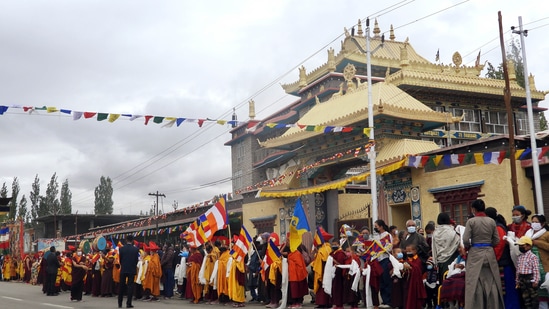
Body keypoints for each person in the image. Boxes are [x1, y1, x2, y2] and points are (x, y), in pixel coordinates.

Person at [462, 199, 504, 309]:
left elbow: (465, 239)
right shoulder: (491, 221)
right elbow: (497, 240)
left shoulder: (471, 221)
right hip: (489, 253)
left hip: (475, 253)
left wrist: (469, 247)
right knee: (492, 282)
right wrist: (488, 245)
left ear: (473, 209)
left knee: (474, 283)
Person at [485, 206, 520, 308]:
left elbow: (499, 245)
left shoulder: (498, 228)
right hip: (503, 262)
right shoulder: (497, 226)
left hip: (503, 263)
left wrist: (494, 259)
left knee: (507, 290)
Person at [431, 213, 460, 284]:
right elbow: (458, 243)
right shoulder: (452, 232)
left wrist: (435, 262)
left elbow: (433, 248)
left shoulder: (435, 233)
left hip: (440, 262)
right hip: (452, 260)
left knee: (443, 283)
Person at [515, 236, 540, 309]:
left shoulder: (533, 257)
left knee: (534, 298)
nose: (520, 247)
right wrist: (517, 280)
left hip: (530, 278)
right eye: (519, 246)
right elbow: (518, 270)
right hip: (522, 279)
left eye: (522, 245)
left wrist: (535, 280)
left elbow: (536, 269)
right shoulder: (520, 257)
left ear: (529, 246)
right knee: (525, 298)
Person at [531, 214, 549, 308]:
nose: (534, 224)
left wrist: (538, 243)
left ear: (542, 224)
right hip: (534, 268)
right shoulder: (529, 234)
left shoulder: (547, 234)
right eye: (533, 222)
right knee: (540, 294)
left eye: (536, 222)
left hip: (546, 267)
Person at [373, 219, 393, 308]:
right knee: (381, 281)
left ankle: (389, 301)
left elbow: (389, 247)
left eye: (376, 226)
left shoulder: (387, 235)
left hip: (385, 259)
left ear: (381, 226)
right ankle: (384, 300)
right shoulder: (377, 236)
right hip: (378, 260)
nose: (375, 228)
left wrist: (380, 248)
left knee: (386, 280)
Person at [118, 235, 139, 308]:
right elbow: (136, 260)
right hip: (131, 269)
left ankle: (120, 303)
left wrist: (123, 265)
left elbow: (120, 259)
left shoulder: (121, 249)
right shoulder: (135, 249)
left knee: (121, 286)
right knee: (130, 287)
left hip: (123, 269)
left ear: (126, 240)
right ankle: (128, 303)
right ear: (132, 240)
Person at [402, 244, 426, 309]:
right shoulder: (407, 259)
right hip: (408, 282)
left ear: (415, 251)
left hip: (415, 282)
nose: (408, 253)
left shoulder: (418, 260)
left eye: (410, 251)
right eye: (407, 251)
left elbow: (417, 268)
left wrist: (409, 266)